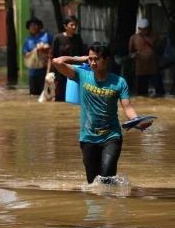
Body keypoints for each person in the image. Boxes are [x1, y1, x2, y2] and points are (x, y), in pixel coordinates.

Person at [52, 42, 151, 184]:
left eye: (97, 59)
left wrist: (137, 120)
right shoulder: (81, 74)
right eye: (90, 59)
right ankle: (97, 205)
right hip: (88, 137)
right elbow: (57, 62)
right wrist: (81, 59)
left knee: (107, 174)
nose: (92, 63)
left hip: (111, 136)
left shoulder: (119, 82)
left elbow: (127, 107)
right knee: (93, 183)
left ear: (106, 60)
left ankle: (111, 203)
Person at [50, 15, 85, 101]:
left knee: (73, 99)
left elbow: (81, 57)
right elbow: (51, 57)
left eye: (75, 25)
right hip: (60, 74)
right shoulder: (58, 38)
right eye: (71, 25)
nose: (74, 27)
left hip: (74, 73)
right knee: (59, 99)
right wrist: (48, 73)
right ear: (65, 26)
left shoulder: (78, 39)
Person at [128, 18, 165, 96]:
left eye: (147, 29)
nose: (146, 32)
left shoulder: (155, 36)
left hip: (154, 69)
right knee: (142, 94)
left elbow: (159, 50)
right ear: (139, 29)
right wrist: (134, 55)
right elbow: (130, 53)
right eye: (144, 30)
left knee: (160, 92)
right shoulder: (133, 38)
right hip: (141, 70)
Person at [22, 17, 54, 95]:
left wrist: (44, 49)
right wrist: (35, 50)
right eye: (31, 26)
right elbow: (25, 54)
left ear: (40, 26)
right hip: (32, 72)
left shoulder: (47, 36)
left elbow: (53, 49)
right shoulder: (28, 40)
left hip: (45, 71)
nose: (33, 27)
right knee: (33, 95)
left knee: (46, 94)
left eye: (35, 25)